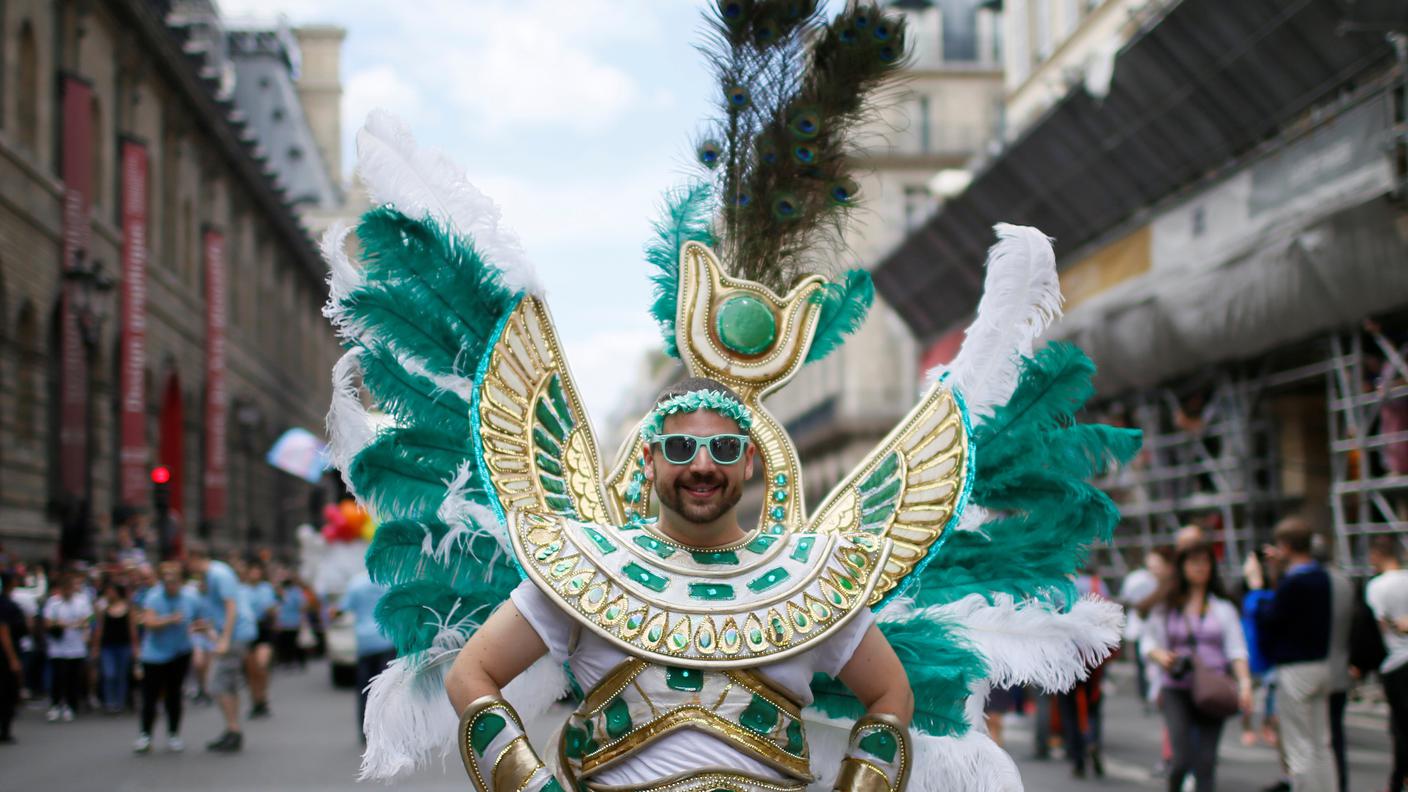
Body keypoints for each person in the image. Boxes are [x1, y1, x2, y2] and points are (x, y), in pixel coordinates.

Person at [444, 379, 914, 788]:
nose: (703, 466)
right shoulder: (587, 565)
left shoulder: (809, 576)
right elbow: (471, 675)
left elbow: (892, 694)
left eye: (724, 449)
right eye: (681, 448)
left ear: (749, 460)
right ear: (649, 460)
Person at [1142, 542, 1252, 792]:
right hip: (1176, 688)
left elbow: (1237, 649)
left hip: (1213, 689)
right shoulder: (1167, 605)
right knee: (1181, 760)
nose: (1200, 568)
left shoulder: (1222, 607)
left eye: (1205, 562)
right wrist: (1158, 654)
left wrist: (1245, 685)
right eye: (1193, 562)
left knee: (1206, 763)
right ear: (1181, 567)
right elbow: (1148, 640)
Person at [1245, 517, 1334, 792]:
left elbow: (1269, 618)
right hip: (1321, 664)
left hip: (1295, 668)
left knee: (1298, 746)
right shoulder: (1321, 576)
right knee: (1321, 743)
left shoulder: (1294, 584)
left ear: (1284, 546)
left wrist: (1257, 586)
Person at [187, 543, 257, 752]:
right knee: (229, 684)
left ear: (194, 557)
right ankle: (232, 730)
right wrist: (209, 629)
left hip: (236, 634)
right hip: (233, 634)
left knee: (217, 684)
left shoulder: (218, 574)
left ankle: (233, 729)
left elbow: (231, 606)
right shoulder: (211, 576)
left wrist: (225, 638)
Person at [135, 561, 199, 753]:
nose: (171, 585)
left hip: (179, 652)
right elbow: (149, 622)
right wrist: (170, 619)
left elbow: (199, 618)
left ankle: (173, 734)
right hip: (155, 654)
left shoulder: (189, 598)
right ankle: (145, 735)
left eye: (174, 581)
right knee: (151, 696)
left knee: (175, 694)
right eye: (167, 581)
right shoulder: (154, 597)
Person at [1367, 535, 1408, 792]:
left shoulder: (1377, 586)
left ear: (1377, 556)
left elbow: (1378, 622)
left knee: (1400, 727)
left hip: (1395, 661)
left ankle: (1397, 780)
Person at [332, 573, 393, 743]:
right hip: (387, 640)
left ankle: (365, 731)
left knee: (365, 689)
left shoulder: (356, 583)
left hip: (365, 643)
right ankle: (388, 731)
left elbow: (340, 610)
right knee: (388, 689)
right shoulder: (391, 581)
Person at [42, 571, 92, 722]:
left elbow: (87, 620)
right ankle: (56, 704)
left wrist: (77, 624)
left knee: (73, 678)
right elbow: (47, 622)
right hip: (57, 647)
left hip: (76, 647)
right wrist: (60, 624)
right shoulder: (53, 602)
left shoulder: (81, 601)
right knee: (58, 677)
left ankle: (71, 705)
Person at [90, 582, 139, 713]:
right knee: (109, 673)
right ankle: (109, 701)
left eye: (111, 591)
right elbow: (99, 629)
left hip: (124, 645)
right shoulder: (104, 609)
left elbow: (132, 628)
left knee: (121, 675)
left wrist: (135, 647)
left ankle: (120, 702)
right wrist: (96, 647)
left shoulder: (128, 608)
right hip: (108, 646)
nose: (109, 594)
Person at [241, 562, 277, 718]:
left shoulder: (266, 589)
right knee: (251, 670)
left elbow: (271, 609)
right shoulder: (241, 590)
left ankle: (263, 696)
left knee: (261, 665)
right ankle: (255, 700)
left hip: (263, 629)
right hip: (248, 630)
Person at [0, 570, 26, 743]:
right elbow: (4, 632)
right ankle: (5, 731)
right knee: (6, 692)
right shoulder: (6, 605)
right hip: (4, 656)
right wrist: (13, 659)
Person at [274, 577, 307, 669]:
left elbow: (301, 605)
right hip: (287, 622)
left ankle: (295, 662)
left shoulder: (293, 592)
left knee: (293, 643)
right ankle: (290, 661)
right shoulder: (285, 592)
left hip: (292, 622)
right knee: (289, 643)